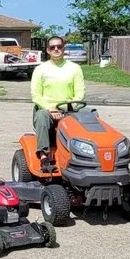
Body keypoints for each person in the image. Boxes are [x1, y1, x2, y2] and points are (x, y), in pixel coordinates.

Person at [30, 36, 86, 167]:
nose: (56, 49)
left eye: (59, 47)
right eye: (52, 47)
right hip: (47, 109)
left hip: (69, 108)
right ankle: (44, 155)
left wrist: (71, 106)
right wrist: (50, 108)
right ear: (48, 50)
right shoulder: (40, 69)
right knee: (41, 116)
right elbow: (35, 95)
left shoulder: (75, 68)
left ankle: (88, 152)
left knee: (91, 114)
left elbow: (80, 92)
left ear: (63, 48)